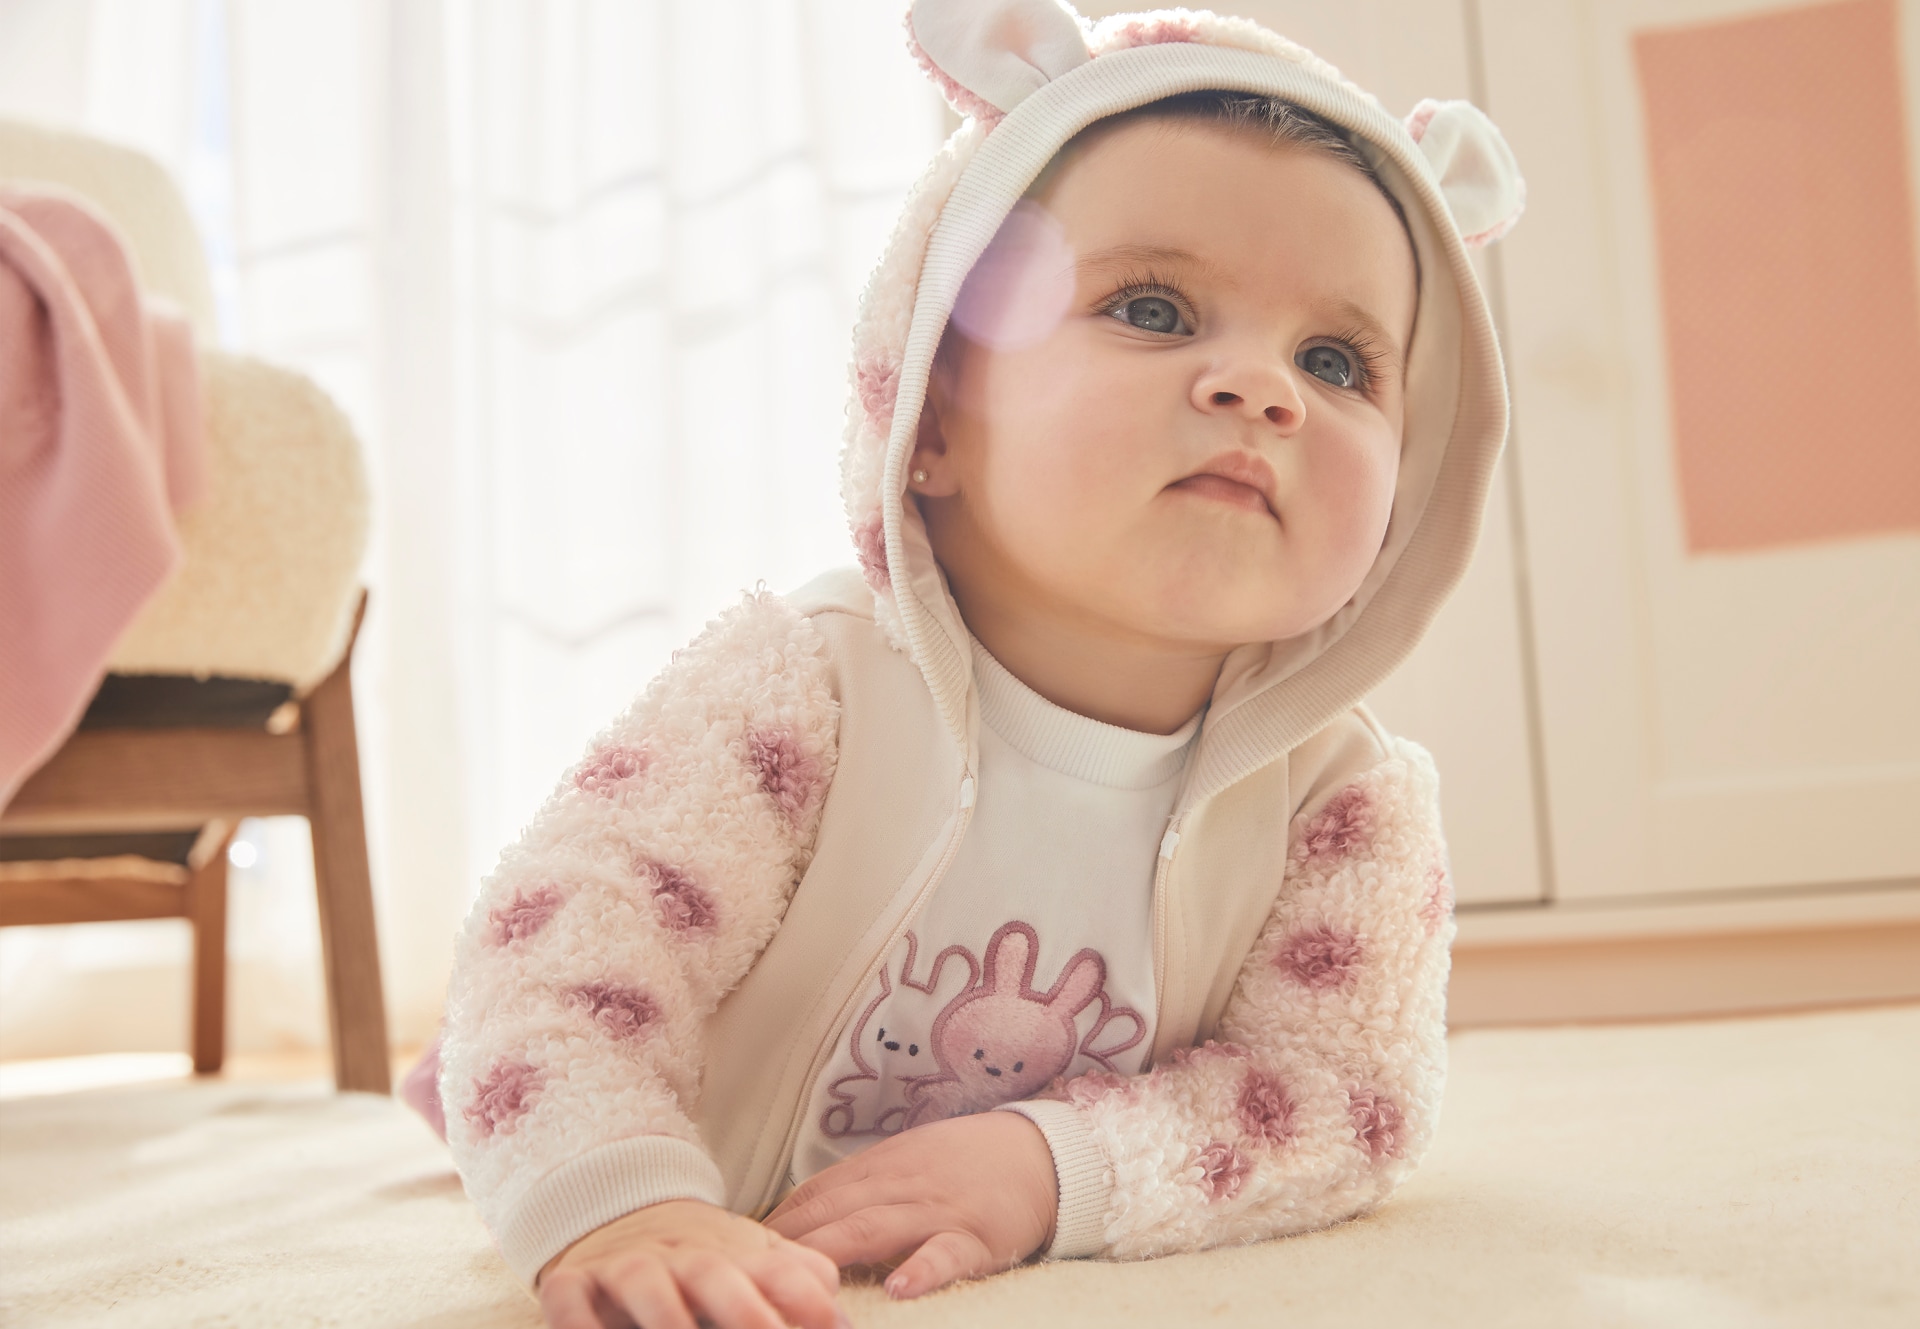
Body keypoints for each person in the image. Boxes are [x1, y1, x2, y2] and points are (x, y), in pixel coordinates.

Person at [430, 3, 1524, 1326]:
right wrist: (623, 1196)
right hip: (715, 1151)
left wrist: (1061, 1165)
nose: (1261, 387)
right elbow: (554, 961)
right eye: (1155, 306)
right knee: (500, 1072)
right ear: (929, 410)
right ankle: (449, 1095)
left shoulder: (1345, 799)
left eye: (1336, 358)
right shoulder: (799, 688)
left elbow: (1349, 1095)